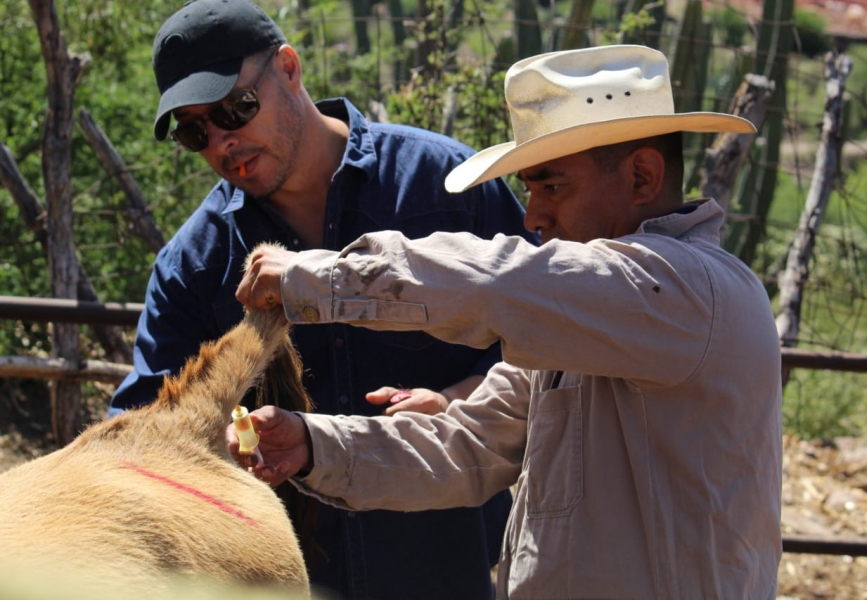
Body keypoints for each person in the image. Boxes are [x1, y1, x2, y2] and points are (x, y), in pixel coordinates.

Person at [232, 44, 784, 599]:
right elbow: (468, 444)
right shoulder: (589, 321)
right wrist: (313, 445)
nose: (534, 215)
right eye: (531, 190)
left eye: (553, 186)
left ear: (642, 177)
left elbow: (496, 283)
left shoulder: (690, 291)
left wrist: (320, 277)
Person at [109, 0, 537, 598]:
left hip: (446, 563)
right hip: (282, 579)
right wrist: (217, 446)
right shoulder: (193, 264)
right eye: (193, 131)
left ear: (289, 68)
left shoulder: (446, 184)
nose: (222, 141)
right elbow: (143, 436)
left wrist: (456, 400)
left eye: (234, 108)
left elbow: (549, 334)